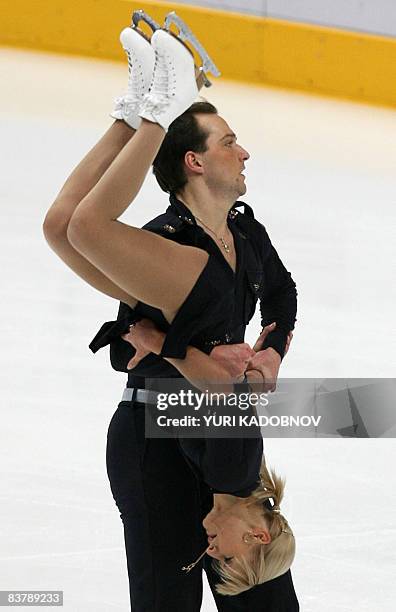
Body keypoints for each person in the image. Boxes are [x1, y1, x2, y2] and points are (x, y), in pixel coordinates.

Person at [43, 16, 298, 611]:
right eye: (229, 141)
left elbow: (283, 295)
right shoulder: (166, 242)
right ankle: (157, 107)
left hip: (203, 416)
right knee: (75, 227)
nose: (245, 151)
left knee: (68, 226)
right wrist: (176, 352)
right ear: (194, 163)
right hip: (158, 430)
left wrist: (271, 352)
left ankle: (137, 108)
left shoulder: (245, 231)